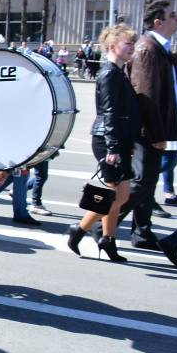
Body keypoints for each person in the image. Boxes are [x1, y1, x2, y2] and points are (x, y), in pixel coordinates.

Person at [67, 24, 139, 262]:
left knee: (121, 195)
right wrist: (112, 148)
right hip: (108, 140)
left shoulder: (119, 72)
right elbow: (108, 112)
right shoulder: (109, 73)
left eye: (133, 43)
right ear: (112, 46)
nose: (132, 48)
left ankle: (106, 238)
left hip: (119, 139)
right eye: (127, 43)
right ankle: (81, 231)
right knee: (114, 194)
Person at [116, 0, 177, 250]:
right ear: (158, 22)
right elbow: (147, 95)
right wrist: (156, 133)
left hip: (155, 128)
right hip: (147, 130)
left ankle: (142, 231)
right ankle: (101, 225)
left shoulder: (159, 48)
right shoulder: (147, 49)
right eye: (172, 15)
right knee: (142, 182)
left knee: (148, 183)